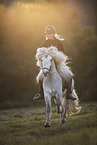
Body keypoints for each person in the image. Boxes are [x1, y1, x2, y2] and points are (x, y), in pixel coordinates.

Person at [33, 25, 77, 101]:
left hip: (58, 64)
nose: (49, 35)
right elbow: (43, 53)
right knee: (39, 78)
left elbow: (63, 53)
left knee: (69, 76)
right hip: (48, 64)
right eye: (47, 34)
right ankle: (41, 94)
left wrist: (57, 57)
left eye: (50, 33)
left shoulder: (58, 42)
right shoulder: (45, 43)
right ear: (46, 34)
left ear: (54, 34)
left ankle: (69, 93)